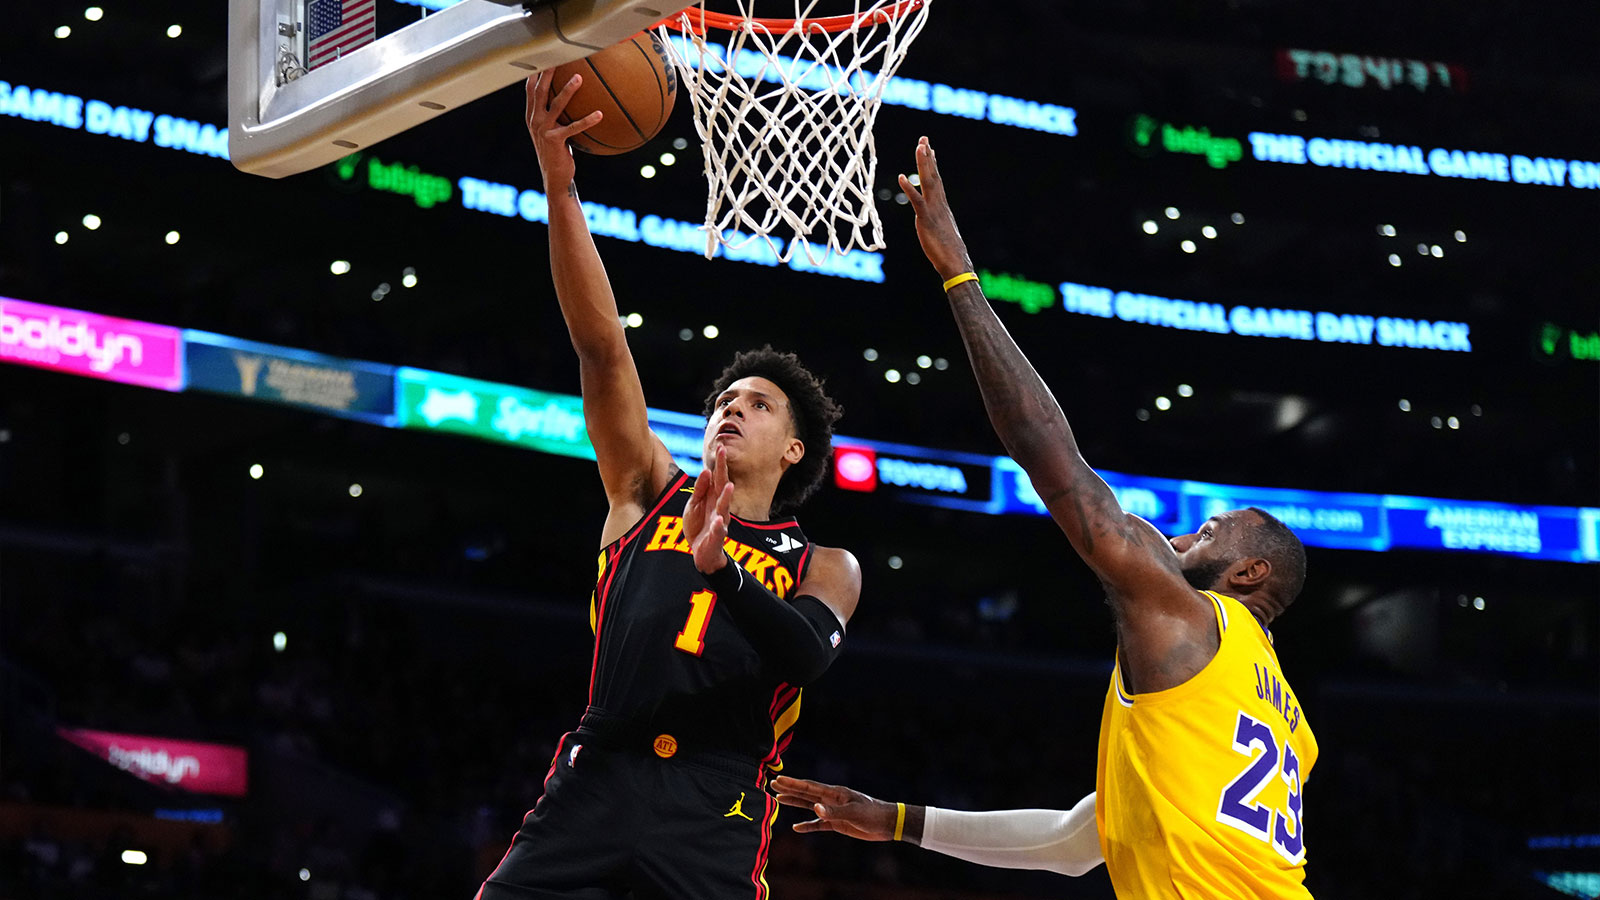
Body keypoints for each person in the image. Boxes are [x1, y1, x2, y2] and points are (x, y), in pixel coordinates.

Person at [773, 137, 1318, 899]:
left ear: (1251, 571)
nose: (1188, 533)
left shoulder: (1186, 617)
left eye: (1211, 531)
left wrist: (960, 276)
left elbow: (1051, 458)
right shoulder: (1279, 717)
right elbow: (1074, 842)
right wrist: (896, 820)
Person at [476, 72, 862, 900]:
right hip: (600, 770)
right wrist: (559, 184)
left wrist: (720, 567)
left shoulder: (825, 564)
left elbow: (803, 657)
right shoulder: (647, 487)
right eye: (725, 400)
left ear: (794, 450)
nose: (732, 410)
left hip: (714, 800)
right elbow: (603, 349)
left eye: (757, 406)